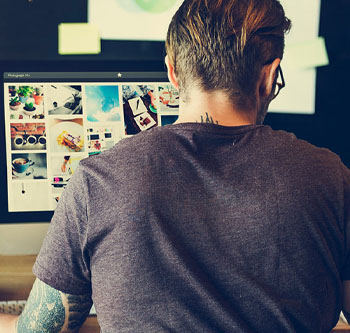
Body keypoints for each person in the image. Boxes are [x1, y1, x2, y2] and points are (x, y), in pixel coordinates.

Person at [1, 0, 350, 331]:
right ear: (270, 76)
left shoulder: (98, 181)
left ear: (171, 70)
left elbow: (38, 329)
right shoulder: (331, 178)